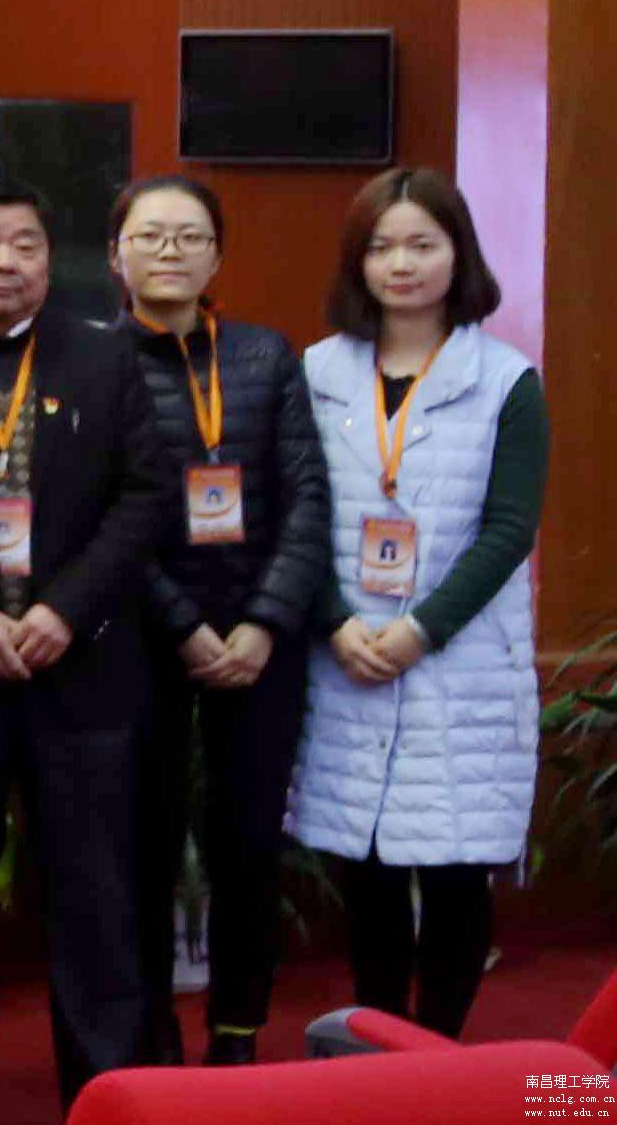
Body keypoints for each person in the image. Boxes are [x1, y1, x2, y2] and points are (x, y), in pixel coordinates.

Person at [0, 178, 171, 1121]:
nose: (6, 262)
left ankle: (106, 1097)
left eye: (26, 244)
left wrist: (65, 608)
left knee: (95, 900)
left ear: (51, 263)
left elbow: (144, 496)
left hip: (80, 669)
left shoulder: (103, 356)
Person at [291, 165, 544, 1044]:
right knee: (363, 865)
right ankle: (379, 1054)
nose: (400, 264)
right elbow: (295, 510)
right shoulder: (316, 370)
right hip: (346, 648)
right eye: (381, 247)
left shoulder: (506, 378)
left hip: (458, 660)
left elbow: (508, 528)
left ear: (457, 254)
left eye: (421, 245)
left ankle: (437, 1053)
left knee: (452, 868)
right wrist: (333, 619)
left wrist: (420, 629)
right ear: (357, 262)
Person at [103, 174, 320, 1069]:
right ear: (115, 252)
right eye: (150, 234)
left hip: (260, 639)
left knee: (247, 842)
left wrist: (265, 621)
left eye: (189, 236)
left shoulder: (267, 356)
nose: (169, 250)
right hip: (143, 638)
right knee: (142, 843)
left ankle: (236, 1028)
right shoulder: (91, 362)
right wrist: (182, 623)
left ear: (216, 256)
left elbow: (307, 496)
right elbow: (98, 514)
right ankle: (146, 1029)